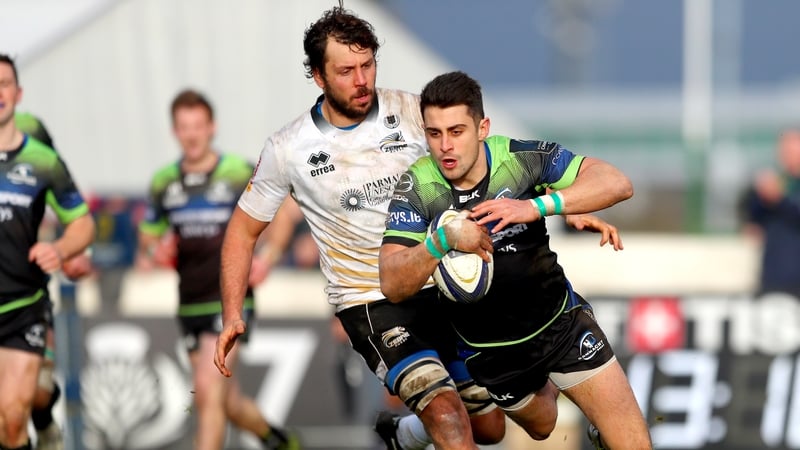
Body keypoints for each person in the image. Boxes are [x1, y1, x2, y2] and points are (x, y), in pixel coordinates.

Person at [213, 8, 621, 450]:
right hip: (374, 302)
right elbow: (241, 231)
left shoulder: (410, 111)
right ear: (318, 77)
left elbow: (478, 162)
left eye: (368, 65)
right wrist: (232, 312)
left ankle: (404, 434)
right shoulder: (287, 149)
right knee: (449, 420)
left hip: (448, 285)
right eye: (346, 70)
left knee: (500, 427)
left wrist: (560, 206)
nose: (361, 79)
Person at [379, 71, 651, 450]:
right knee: (541, 426)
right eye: (434, 133)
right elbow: (392, 283)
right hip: (490, 351)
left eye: (456, 131)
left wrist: (539, 205)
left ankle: (600, 421)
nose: (445, 146)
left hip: (560, 324)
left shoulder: (520, 159)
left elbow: (617, 182)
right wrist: (443, 240)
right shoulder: (418, 186)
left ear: (482, 128)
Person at [136, 89, 298, 450]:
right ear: (174, 131)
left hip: (229, 302)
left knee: (207, 395)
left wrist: (267, 258)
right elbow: (147, 237)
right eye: (183, 127)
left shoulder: (238, 171)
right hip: (189, 304)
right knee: (226, 401)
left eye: (198, 126)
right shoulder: (164, 181)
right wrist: (154, 249)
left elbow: (285, 212)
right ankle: (279, 441)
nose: (191, 134)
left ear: (212, 127)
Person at [0, 53, 96, 450]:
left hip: (24, 304)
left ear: (18, 93)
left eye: (4, 83)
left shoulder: (42, 157)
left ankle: (43, 413)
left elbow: (81, 221)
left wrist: (62, 249)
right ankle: (42, 412)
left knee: (12, 418)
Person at [742, 129, 800, 298]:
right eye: (784, 149)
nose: (787, 154)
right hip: (775, 276)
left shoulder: (781, 191)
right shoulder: (777, 181)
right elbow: (753, 218)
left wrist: (779, 199)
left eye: (792, 148)